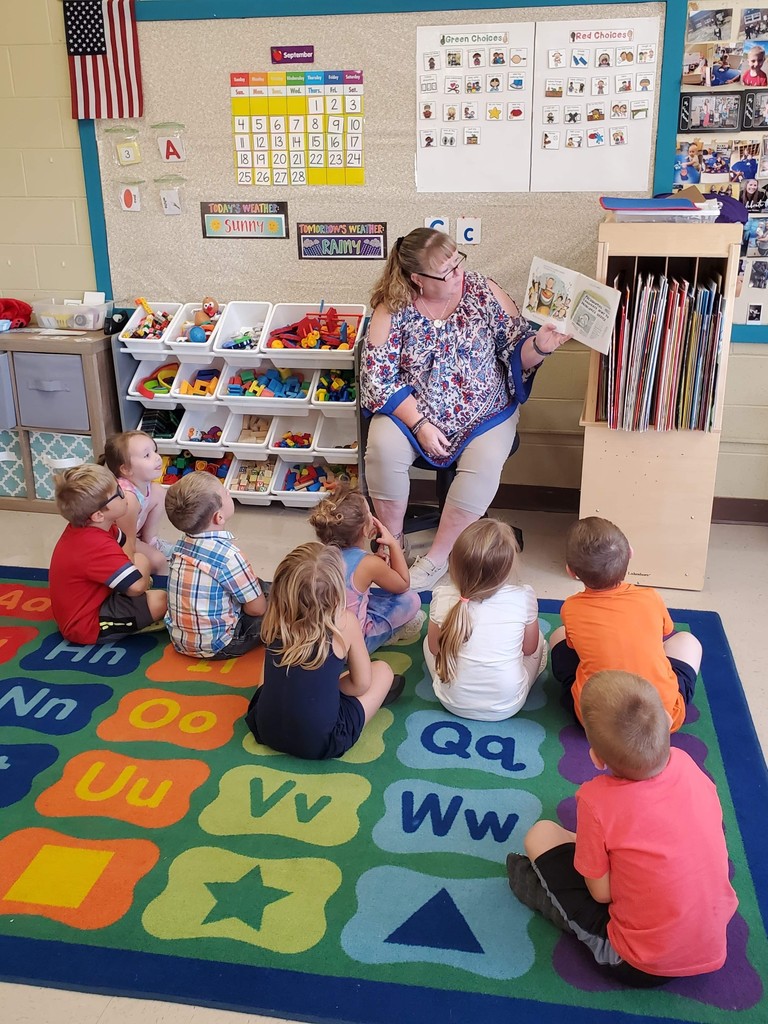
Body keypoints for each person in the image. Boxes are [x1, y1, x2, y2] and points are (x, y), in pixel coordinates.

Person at [360, 228, 569, 592]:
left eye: (459, 263)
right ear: (417, 279)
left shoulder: (483, 292)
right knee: (381, 448)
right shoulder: (393, 305)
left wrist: (541, 345)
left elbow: (515, 350)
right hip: (415, 412)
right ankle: (390, 546)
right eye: (448, 271)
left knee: (485, 462)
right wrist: (420, 423)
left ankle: (436, 559)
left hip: (485, 412)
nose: (459, 274)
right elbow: (378, 377)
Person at [506, 671, 738, 986]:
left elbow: (601, 894)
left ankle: (544, 898)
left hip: (637, 962)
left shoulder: (596, 801)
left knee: (540, 835)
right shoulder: (689, 764)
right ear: (668, 721)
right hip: (711, 936)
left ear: (596, 758)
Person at [245, 543, 404, 759]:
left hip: (264, 728)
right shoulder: (344, 622)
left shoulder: (275, 618)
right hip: (322, 741)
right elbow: (360, 685)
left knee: (276, 671)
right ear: (337, 592)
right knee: (383, 671)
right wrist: (335, 687)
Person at [549, 516, 702, 731]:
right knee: (687, 641)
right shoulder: (651, 597)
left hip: (596, 725)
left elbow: (574, 647)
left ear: (570, 571)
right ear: (630, 552)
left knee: (558, 634)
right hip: (661, 720)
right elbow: (666, 632)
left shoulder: (571, 607)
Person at [424, 519, 546, 720]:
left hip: (451, 701)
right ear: (507, 568)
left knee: (427, 644)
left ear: (454, 563)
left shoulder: (443, 595)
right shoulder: (523, 597)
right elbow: (529, 648)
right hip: (508, 705)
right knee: (539, 638)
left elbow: (434, 649)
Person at [49, 464, 167, 645]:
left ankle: (129, 595)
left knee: (142, 561)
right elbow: (136, 588)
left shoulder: (96, 527)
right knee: (162, 600)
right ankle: (133, 621)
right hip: (87, 626)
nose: (125, 494)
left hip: (95, 600)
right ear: (97, 515)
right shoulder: (94, 544)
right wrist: (138, 579)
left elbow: (125, 543)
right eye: (118, 492)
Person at [308, 484, 423, 652]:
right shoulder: (368, 564)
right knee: (411, 600)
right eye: (370, 512)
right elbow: (403, 584)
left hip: (318, 641)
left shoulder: (316, 555)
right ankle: (385, 636)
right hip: (353, 646)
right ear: (364, 529)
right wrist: (393, 543)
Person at [164, 471, 267, 659]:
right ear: (218, 517)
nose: (228, 492)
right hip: (220, 644)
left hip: (180, 641)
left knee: (258, 586)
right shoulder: (230, 556)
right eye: (225, 493)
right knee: (276, 607)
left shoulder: (181, 544)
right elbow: (256, 609)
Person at [100, 430, 175, 575]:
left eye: (155, 451)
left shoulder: (143, 483)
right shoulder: (128, 499)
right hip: (118, 541)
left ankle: (150, 540)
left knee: (158, 491)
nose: (158, 458)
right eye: (147, 455)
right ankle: (158, 590)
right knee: (159, 561)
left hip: (133, 530)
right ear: (126, 469)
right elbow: (127, 543)